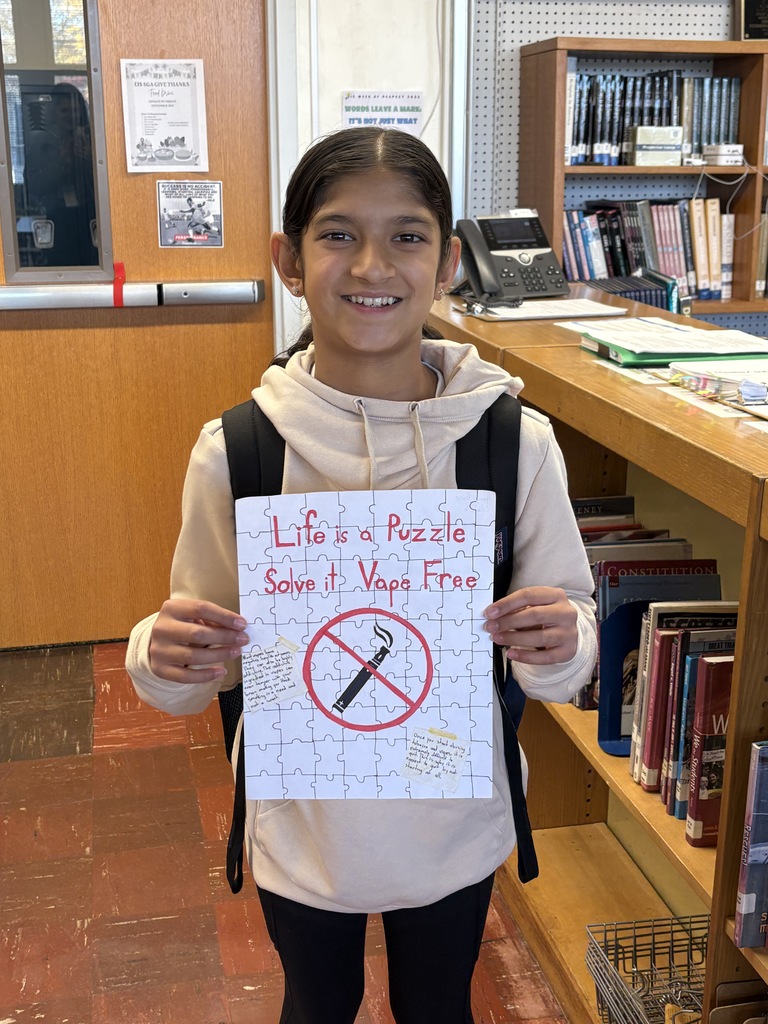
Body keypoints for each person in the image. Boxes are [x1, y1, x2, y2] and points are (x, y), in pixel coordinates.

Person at [126, 126, 597, 1024]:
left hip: (453, 823)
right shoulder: (238, 451)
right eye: (338, 233)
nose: (373, 265)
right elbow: (192, 661)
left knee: (437, 1006)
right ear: (290, 261)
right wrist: (166, 654)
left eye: (408, 235)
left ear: (449, 259)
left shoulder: (512, 443)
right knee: (316, 1002)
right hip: (303, 824)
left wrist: (560, 640)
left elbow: (564, 650)